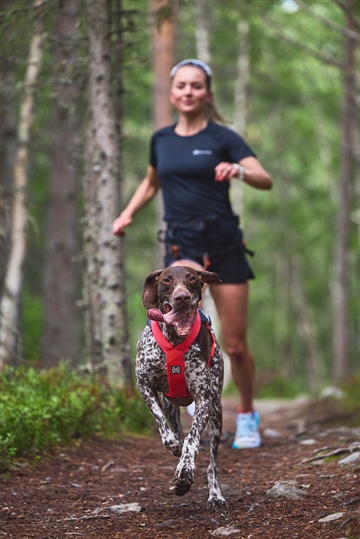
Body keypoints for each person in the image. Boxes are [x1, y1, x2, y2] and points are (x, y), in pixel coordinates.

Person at [113, 59, 272, 449]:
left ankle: (247, 415)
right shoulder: (162, 140)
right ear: (172, 93)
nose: (188, 91)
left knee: (234, 343)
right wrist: (128, 213)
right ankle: (192, 400)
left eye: (196, 86)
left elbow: (263, 179)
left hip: (224, 243)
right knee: (178, 328)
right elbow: (152, 182)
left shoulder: (223, 137)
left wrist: (237, 170)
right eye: (181, 85)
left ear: (207, 93)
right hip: (183, 245)